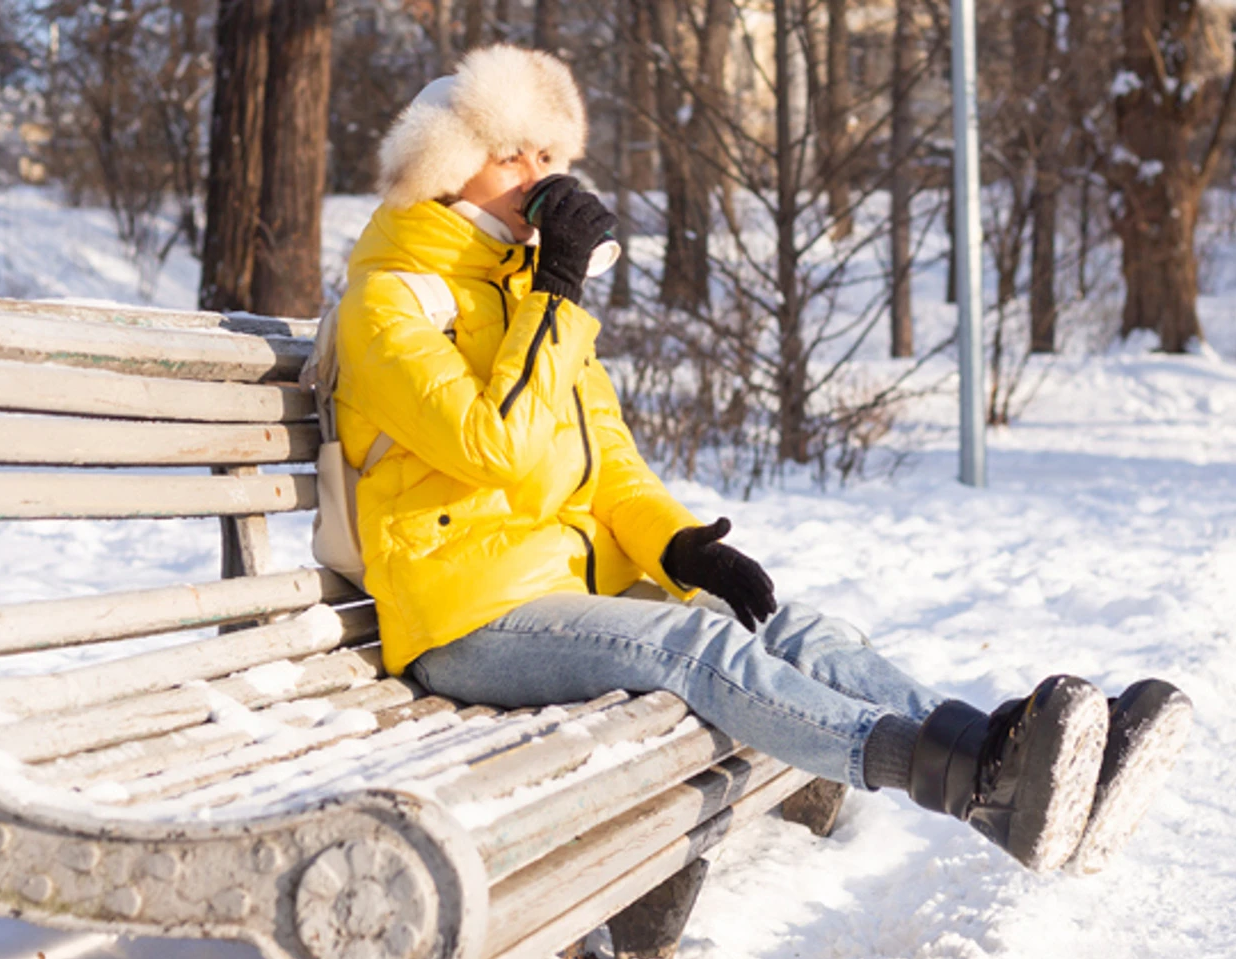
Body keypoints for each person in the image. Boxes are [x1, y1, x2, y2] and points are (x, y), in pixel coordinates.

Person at [332, 45, 1190, 875]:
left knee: (789, 626)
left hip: (563, 592)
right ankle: (962, 783)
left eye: (548, 153)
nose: (535, 173)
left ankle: (1008, 755)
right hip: (466, 619)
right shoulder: (393, 298)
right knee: (695, 645)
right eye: (507, 154)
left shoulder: (524, 292)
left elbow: (608, 459)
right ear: (445, 165)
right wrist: (556, 292)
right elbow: (501, 449)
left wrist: (676, 545)